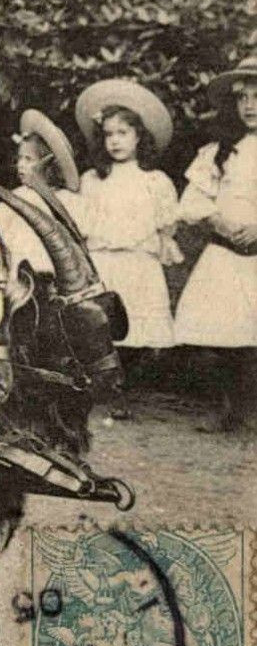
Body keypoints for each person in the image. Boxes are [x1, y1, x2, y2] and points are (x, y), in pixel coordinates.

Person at [74, 78, 180, 418]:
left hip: (138, 263)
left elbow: (166, 224)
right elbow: (83, 222)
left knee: (139, 330)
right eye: (108, 134)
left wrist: (162, 244)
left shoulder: (154, 181)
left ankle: (124, 385)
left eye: (123, 133)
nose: (115, 141)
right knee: (101, 329)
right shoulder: (93, 180)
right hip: (104, 262)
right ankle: (104, 389)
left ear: (139, 137)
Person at [173, 57, 257, 431]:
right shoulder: (221, 151)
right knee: (212, 329)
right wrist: (218, 221)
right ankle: (227, 407)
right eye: (243, 98)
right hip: (226, 251)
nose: (250, 105)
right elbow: (193, 200)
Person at [0, 109, 86, 277]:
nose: (21, 165)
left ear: (48, 165)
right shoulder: (17, 197)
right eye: (19, 158)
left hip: (54, 268)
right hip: (20, 266)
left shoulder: (65, 200)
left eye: (28, 160)